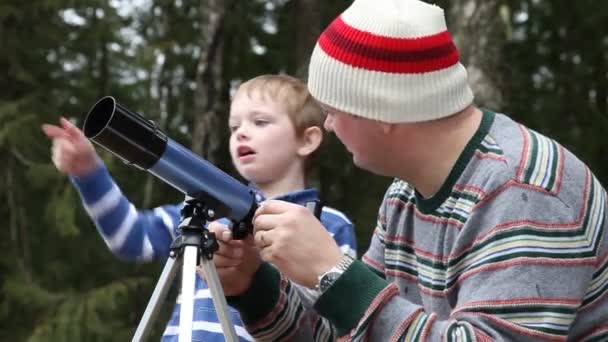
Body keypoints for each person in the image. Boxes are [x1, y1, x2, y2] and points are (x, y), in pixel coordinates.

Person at [211, 0, 608, 341]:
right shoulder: (405, 193)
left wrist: (334, 273)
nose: (328, 125)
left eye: (333, 109)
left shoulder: (525, 190)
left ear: (382, 110)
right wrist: (253, 284)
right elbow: (356, 329)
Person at [42, 74, 357, 341]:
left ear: (307, 140)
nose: (242, 132)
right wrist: (88, 171)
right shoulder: (206, 211)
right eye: (234, 127)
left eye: (260, 122)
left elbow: (337, 321)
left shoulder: (329, 225)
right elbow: (131, 238)